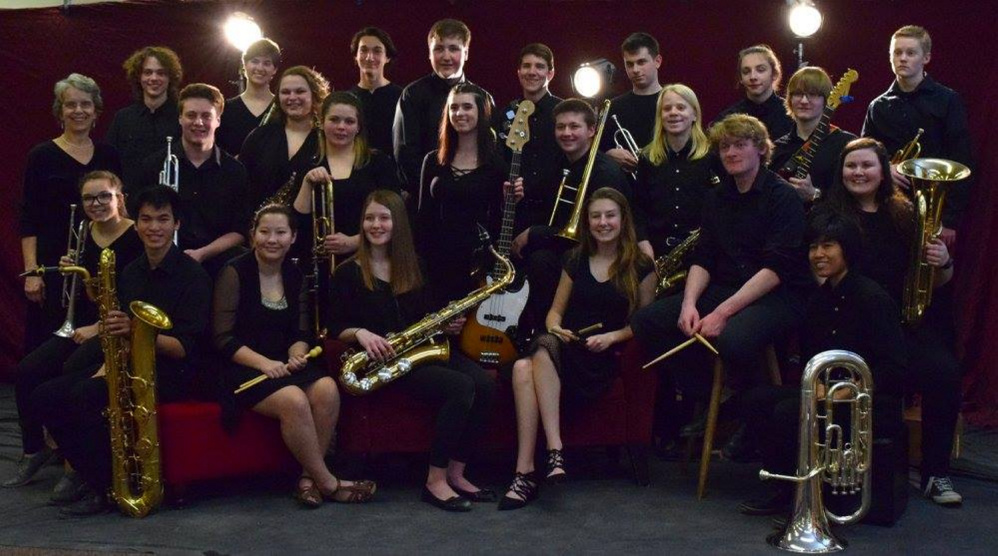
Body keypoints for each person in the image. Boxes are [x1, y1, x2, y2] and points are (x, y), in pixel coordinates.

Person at [33, 185, 212, 516]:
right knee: (45, 395)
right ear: (137, 222)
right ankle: (91, 475)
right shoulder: (130, 272)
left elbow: (187, 349)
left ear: (177, 224)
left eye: (163, 219)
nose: (153, 227)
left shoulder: (194, 277)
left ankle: (104, 488)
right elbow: (118, 330)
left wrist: (136, 332)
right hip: (130, 362)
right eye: (146, 219)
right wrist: (111, 354)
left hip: (173, 372)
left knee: (84, 395)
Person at [631, 113, 810, 417]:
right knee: (647, 321)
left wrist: (721, 312)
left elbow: (775, 270)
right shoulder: (716, 198)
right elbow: (704, 258)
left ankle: (750, 414)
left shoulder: (783, 197)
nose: (730, 153)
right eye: (725, 147)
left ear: (762, 150)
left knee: (734, 340)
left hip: (776, 295)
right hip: (727, 288)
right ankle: (719, 399)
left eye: (740, 145)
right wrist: (689, 304)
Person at [328, 190, 495, 512]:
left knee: (486, 384)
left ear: (398, 223)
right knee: (460, 387)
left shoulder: (414, 266)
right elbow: (335, 328)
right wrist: (361, 333)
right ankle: (435, 481)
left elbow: (426, 315)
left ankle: (458, 473)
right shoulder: (346, 273)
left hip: (422, 349)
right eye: (369, 218)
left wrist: (446, 326)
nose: (376, 225)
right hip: (386, 362)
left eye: (384, 218)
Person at [821, 137, 964, 506]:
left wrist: (943, 261)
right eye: (851, 166)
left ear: (884, 171)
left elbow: (940, 281)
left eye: (867, 165)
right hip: (849, 327)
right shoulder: (828, 216)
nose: (858, 172)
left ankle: (935, 473)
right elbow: (820, 278)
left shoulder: (907, 213)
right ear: (841, 172)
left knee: (944, 371)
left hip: (901, 325)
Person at [737, 210, 906, 515]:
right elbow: (811, 359)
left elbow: (895, 369)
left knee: (788, 412)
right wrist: (816, 389)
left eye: (828, 246)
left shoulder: (873, 298)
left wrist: (840, 394)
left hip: (867, 403)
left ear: (847, 249)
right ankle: (786, 487)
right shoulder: (819, 298)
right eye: (814, 247)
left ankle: (800, 495)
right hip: (827, 394)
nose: (818, 254)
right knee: (756, 400)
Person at [500, 188, 655, 510]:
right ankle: (540, 460)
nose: (603, 222)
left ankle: (529, 472)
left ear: (623, 219)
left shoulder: (642, 266)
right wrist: (557, 327)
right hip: (567, 345)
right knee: (529, 357)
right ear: (587, 221)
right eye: (596, 216)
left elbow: (643, 324)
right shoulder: (575, 257)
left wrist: (612, 337)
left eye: (610, 215)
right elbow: (554, 313)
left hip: (601, 356)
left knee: (528, 361)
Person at [214, 204, 375, 508]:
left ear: (292, 237)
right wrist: (265, 364)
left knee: (328, 388)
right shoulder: (234, 272)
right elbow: (223, 338)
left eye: (280, 232)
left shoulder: (294, 273)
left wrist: (297, 354)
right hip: (244, 367)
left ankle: (306, 480)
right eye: (264, 232)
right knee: (293, 399)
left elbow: (301, 333)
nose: (271, 239)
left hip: (284, 364)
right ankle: (328, 482)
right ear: (253, 236)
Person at [6, 171, 142, 496]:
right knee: (27, 371)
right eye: (88, 198)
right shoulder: (84, 231)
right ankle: (35, 448)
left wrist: (97, 327)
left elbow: (135, 295)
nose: (96, 204)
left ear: (119, 197)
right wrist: (71, 266)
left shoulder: (137, 236)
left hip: (114, 327)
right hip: (79, 323)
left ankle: (76, 463)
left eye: (104, 196)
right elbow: (79, 293)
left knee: (68, 375)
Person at [20, 73, 122, 354]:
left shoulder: (108, 154)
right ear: (60, 111)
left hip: (97, 261)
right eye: (70, 104)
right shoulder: (41, 155)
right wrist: (32, 272)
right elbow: (29, 217)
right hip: (53, 264)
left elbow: (120, 208)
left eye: (86, 104)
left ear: (96, 112)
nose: (78, 111)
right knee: (48, 344)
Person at [513, 98, 632, 333]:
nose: (566, 133)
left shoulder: (604, 172)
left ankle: (547, 334)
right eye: (561, 127)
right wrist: (516, 194)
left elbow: (602, 229)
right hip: (570, 247)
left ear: (591, 130)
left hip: (599, 252)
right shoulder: (559, 163)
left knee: (541, 261)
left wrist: (534, 234)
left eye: (574, 126)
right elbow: (543, 204)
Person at [862, 25, 974, 248]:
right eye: (897, 52)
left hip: (935, 210)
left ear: (926, 58)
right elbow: (864, 155)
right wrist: (885, 168)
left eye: (910, 53)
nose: (902, 58)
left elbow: (963, 160)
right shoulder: (878, 106)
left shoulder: (947, 101)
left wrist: (950, 220)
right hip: (888, 206)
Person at [415, 83, 522, 305]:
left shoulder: (496, 166)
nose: (459, 113)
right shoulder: (432, 160)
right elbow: (422, 216)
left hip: (477, 265)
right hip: (437, 261)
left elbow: (498, 222)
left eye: (467, 107)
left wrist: (511, 201)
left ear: (480, 112)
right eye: (453, 108)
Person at [136, 83, 250, 278]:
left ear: (218, 120)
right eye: (191, 115)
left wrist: (202, 254)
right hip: (163, 265)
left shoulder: (235, 171)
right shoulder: (153, 166)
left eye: (206, 116)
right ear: (180, 118)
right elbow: (139, 220)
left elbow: (240, 230)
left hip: (219, 266)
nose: (198, 122)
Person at [294, 91, 402, 263]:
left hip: (370, 258)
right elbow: (296, 224)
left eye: (349, 121)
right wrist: (307, 183)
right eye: (334, 119)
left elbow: (397, 217)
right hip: (320, 263)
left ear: (358, 127)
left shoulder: (378, 163)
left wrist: (355, 242)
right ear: (322, 122)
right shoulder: (307, 163)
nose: (341, 127)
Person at [393, 18, 494, 196]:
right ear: (429, 54)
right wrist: (434, 193)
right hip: (424, 200)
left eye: (454, 49)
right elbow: (406, 156)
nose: (446, 57)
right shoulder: (412, 95)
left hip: (475, 200)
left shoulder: (483, 98)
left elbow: (490, 153)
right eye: (439, 49)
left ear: (466, 53)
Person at [634, 83, 719, 261]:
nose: (673, 113)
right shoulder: (647, 158)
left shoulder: (712, 156)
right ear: (660, 116)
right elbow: (638, 210)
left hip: (702, 253)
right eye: (667, 109)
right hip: (656, 253)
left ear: (694, 114)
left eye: (681, 107)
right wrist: (645, 247)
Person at [495, 43, 564, 242]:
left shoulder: (563, 112)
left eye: (539, 66)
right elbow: (499, 157)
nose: (532, 72)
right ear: (518, 72)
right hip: (513, 209)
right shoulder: (507, 113)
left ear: (550, 73)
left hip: (551, 211)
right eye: (526, 66)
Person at [241, 66, 329, 209]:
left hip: (308, 228)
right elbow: (241, 190)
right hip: (260, 228)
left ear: (315, 95)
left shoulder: (327, 139)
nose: (292, 97)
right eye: (285, 92)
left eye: (300, 91)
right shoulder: (258, 137)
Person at [769, 67, 857, 202]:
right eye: (798, 94)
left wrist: (815, 194)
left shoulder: (847, 144)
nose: (804, 101)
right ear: (790, 99)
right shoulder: (777, 148)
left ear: (826, 99)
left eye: (813, 94)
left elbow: (857, 195)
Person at [105, 46, 183, 190]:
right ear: (139, 77)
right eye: (148, 72)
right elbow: (110, 164)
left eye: (161, 73)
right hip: (131, 204)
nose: (154, 78)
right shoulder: (123, 118)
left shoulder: (182, 117)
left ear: (170, 77)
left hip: (172, 204)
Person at [600, 32, 664, 175]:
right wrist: (609, 155)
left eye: (641, 62)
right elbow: (597, 152)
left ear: (657, 61)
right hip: (625, 190)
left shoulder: (673, 103)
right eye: (629, 64)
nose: (635, 70)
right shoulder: (613, 106)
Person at [216, 38, 281, 157]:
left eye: (267, 63)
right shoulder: (226, 108)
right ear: (244, 65)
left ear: (275, 70)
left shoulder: (281, 108)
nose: (260, 68)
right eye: (255, 61)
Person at [715, 45, 794, 141]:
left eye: (760, 70)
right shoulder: (727, 119)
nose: (753, 77)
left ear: (774, 74)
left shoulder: (792, 115)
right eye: (746, 71)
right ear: (741, 78)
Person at [348, 27, 403, 157]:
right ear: (356, 56)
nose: (369, 57)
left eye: (377, 51)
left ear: (387, 57)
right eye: (364, 50)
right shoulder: (347, 99)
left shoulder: (403, 97)